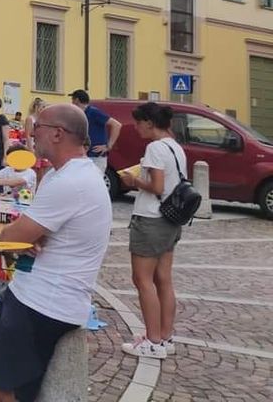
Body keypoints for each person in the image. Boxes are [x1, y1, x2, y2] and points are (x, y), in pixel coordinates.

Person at [0, 104, 112, 402]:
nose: (32, 134)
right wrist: (27, 235)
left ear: (58, 134)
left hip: (45, 301)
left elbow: (11, 237)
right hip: (29, 291)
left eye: (37, 128)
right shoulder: (62, 175)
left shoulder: (70, 182)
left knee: (8, 389)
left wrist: (22, 236)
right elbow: (27, 233)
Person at [119, 102, 185, 359]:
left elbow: (157, 187)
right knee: (163, 279)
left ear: (149, 122)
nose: (136, 128)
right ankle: (165, 337)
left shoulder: (155, 148)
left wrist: (133, 180)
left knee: (142, 279)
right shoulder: (175, 146)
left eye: (138, 123)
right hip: (169, 220)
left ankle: (153, 341)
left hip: (150, 219)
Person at [69, 89, 122, 174]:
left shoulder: (93, 112)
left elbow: (116, 125)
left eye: (72, 100)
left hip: (96, 158)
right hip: (84, 156)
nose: (72, 102)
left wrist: (109, 146)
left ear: (77, 100)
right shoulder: (81, 114)